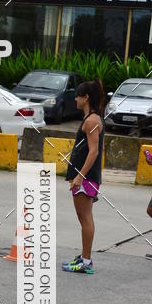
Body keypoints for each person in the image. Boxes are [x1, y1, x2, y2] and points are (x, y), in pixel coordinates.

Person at [62, 79, 105, 275]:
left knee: (86, 219)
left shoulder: (92, 121)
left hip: (86, 178)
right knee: (83, 218)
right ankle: (84, 256)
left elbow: (94, 151)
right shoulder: (90, 119)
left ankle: (86, 261)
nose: (76, 98)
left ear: (86, 98)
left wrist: (80, 176)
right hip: (83, 176)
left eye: (78, 95)